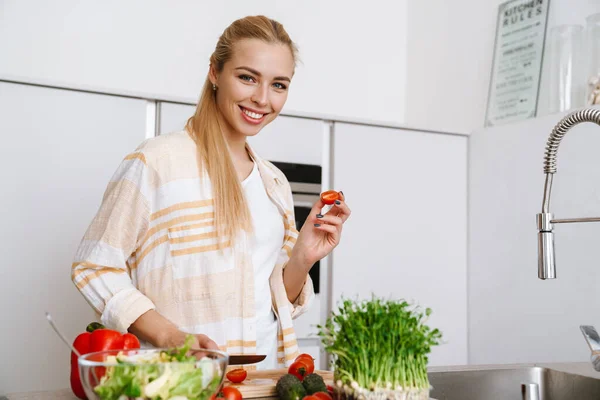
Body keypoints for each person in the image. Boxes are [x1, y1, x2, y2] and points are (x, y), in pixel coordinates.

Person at [71, 15, 351, 370]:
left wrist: (303, 258)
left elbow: (271, 298)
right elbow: (94, 265)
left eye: (279, 85)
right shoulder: (157, 162)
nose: (262, 99)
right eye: (247, 77)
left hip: (262, 381)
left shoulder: (275, 183)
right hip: (183, 380)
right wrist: (172, 337)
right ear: (215, 73)